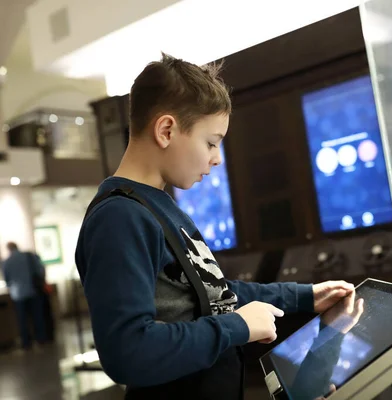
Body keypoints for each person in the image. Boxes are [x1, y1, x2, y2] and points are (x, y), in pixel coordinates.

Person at [74, 53, 355, 399]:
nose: (216, 158)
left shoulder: (157, 205)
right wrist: (237, 327)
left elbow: (212, 294)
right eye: (210, 142)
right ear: (166, 130)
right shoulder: (119, 218)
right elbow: (127, 352)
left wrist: (304, 296)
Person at [2, 242, 48, 350]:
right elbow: (40, 270)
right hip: (32, 290)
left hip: (18, 294)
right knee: (37, 316)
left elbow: (7, 279)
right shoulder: (28, 256)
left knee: (22, 320)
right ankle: (41, 338)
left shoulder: (7, 262)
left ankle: (26, 342)